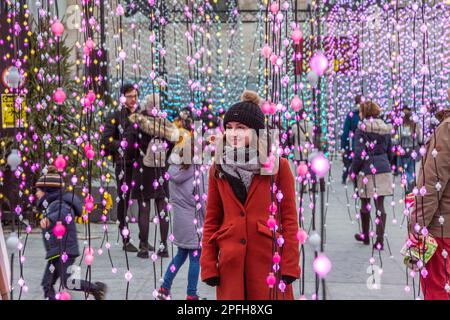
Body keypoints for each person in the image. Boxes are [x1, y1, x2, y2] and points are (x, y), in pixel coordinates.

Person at [200, 91, 300, 300]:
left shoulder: (278, 167)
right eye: (228, 128)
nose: (233, 133)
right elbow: (211, 220)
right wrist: (208, 264)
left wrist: (290, 264)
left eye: (241, 128)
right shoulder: (218, 167)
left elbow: (290, 219)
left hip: (269, 264)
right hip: (231, 264)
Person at [35, 166, 107, 300]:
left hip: (64, 251)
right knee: (47, 284)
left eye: (38, 190)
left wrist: (50, 218)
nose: (36, 194)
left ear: (47, 191)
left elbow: (64, 214)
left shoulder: (60, 204)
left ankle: (97, 289)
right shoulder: (52, 204)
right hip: (56, 252)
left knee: (68, 282)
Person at [409, 88, 450, 300]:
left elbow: (432, 184)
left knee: (438, 288)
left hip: (443, 229)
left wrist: (418, 224)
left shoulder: (447, 129)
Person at [157, 126, 207, 300]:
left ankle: (164, 287)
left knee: (180, 255)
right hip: (194, 221)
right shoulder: (196, 172)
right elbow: (202, 199)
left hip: (179, 219)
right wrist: (209, 218)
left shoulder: (174, 168)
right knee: (195, 258)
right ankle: (191, 294)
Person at [127, 92, 179, 258]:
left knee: (144, 208)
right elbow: (173, 144)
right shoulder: (166, 125)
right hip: (160, 169)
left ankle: (143, 247)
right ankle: (163, 246)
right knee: (162, 207)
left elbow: (129, 147)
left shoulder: (137, 122)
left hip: (143, 169)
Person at [100, 83, 140, 252]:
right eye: (130, 96)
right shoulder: (116, 116)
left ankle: (144, 239)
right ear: (123, 98)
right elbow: (106, 139)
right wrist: (121, 145)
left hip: (141, 163)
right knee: (123, 199)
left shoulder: (141, 115)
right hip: (124, 164)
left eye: (135, 96)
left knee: (144, 198)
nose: (133, 100)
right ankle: (125, 237)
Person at [351, 101, 394, 250]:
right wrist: (387, 164)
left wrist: (353, 170)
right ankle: (380, 240)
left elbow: (359, 154)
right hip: (383, 168)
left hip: (366, 170)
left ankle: (365, 235)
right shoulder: (385, 129)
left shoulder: (361, 129)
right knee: (380, 205)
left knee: (365, 204)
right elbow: (390, 151)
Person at [394, 106, 423, 193]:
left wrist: (393, 141)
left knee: (402, 169)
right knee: (411, 169)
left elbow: (397, 140)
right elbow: (420, 140)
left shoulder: (400, 128)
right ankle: (411, 186)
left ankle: (410, 181)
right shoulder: (415, 127)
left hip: (403, 150)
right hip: (413, 150)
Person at [341, 95, 361, 184]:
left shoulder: (351, 114)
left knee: (349, 161)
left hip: (353, 142)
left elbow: (345, 132)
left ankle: (346, 176)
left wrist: (344, 146)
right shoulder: (366, 113)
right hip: (364, 143)